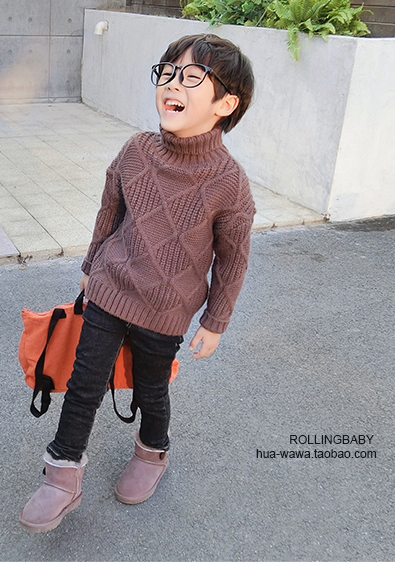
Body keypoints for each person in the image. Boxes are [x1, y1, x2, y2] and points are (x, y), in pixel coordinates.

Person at [19, 33, 256, 532]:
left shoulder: (230, 183)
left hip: (167, 308)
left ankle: (152, 452)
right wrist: (91, 265)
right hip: (109, 289)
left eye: (192, 77)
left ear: (225, 104)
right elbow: (110, 211)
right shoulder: (136, 150)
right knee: (84, 382)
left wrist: (215, 321)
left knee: (152, 387)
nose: (173, 83)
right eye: (167, 72)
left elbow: (232, 260)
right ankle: (62, 472)